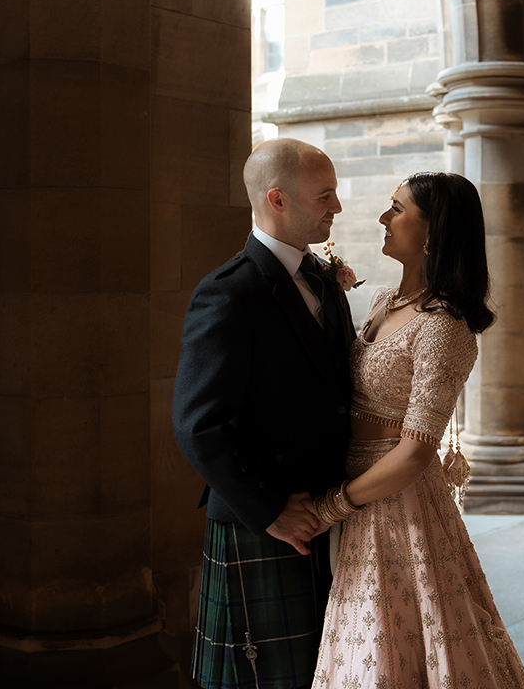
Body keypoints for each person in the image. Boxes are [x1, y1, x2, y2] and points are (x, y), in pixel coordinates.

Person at [310, 172, 524, 689]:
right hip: (356, 487)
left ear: (433, 232)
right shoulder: (382, 301)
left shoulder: (445, 325)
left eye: (396, 208)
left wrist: (333, 507)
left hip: (396, 502)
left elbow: (414, 451)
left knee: (392, 647)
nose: (383, 218)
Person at [174, 138, 357, 689]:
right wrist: (271, 507)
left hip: (329, 510)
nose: (338, 208)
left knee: (321, 673)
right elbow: (199, 425)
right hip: (267, 518)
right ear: (276, 199)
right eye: (325, 196)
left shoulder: (325, 280)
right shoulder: (229, 294)